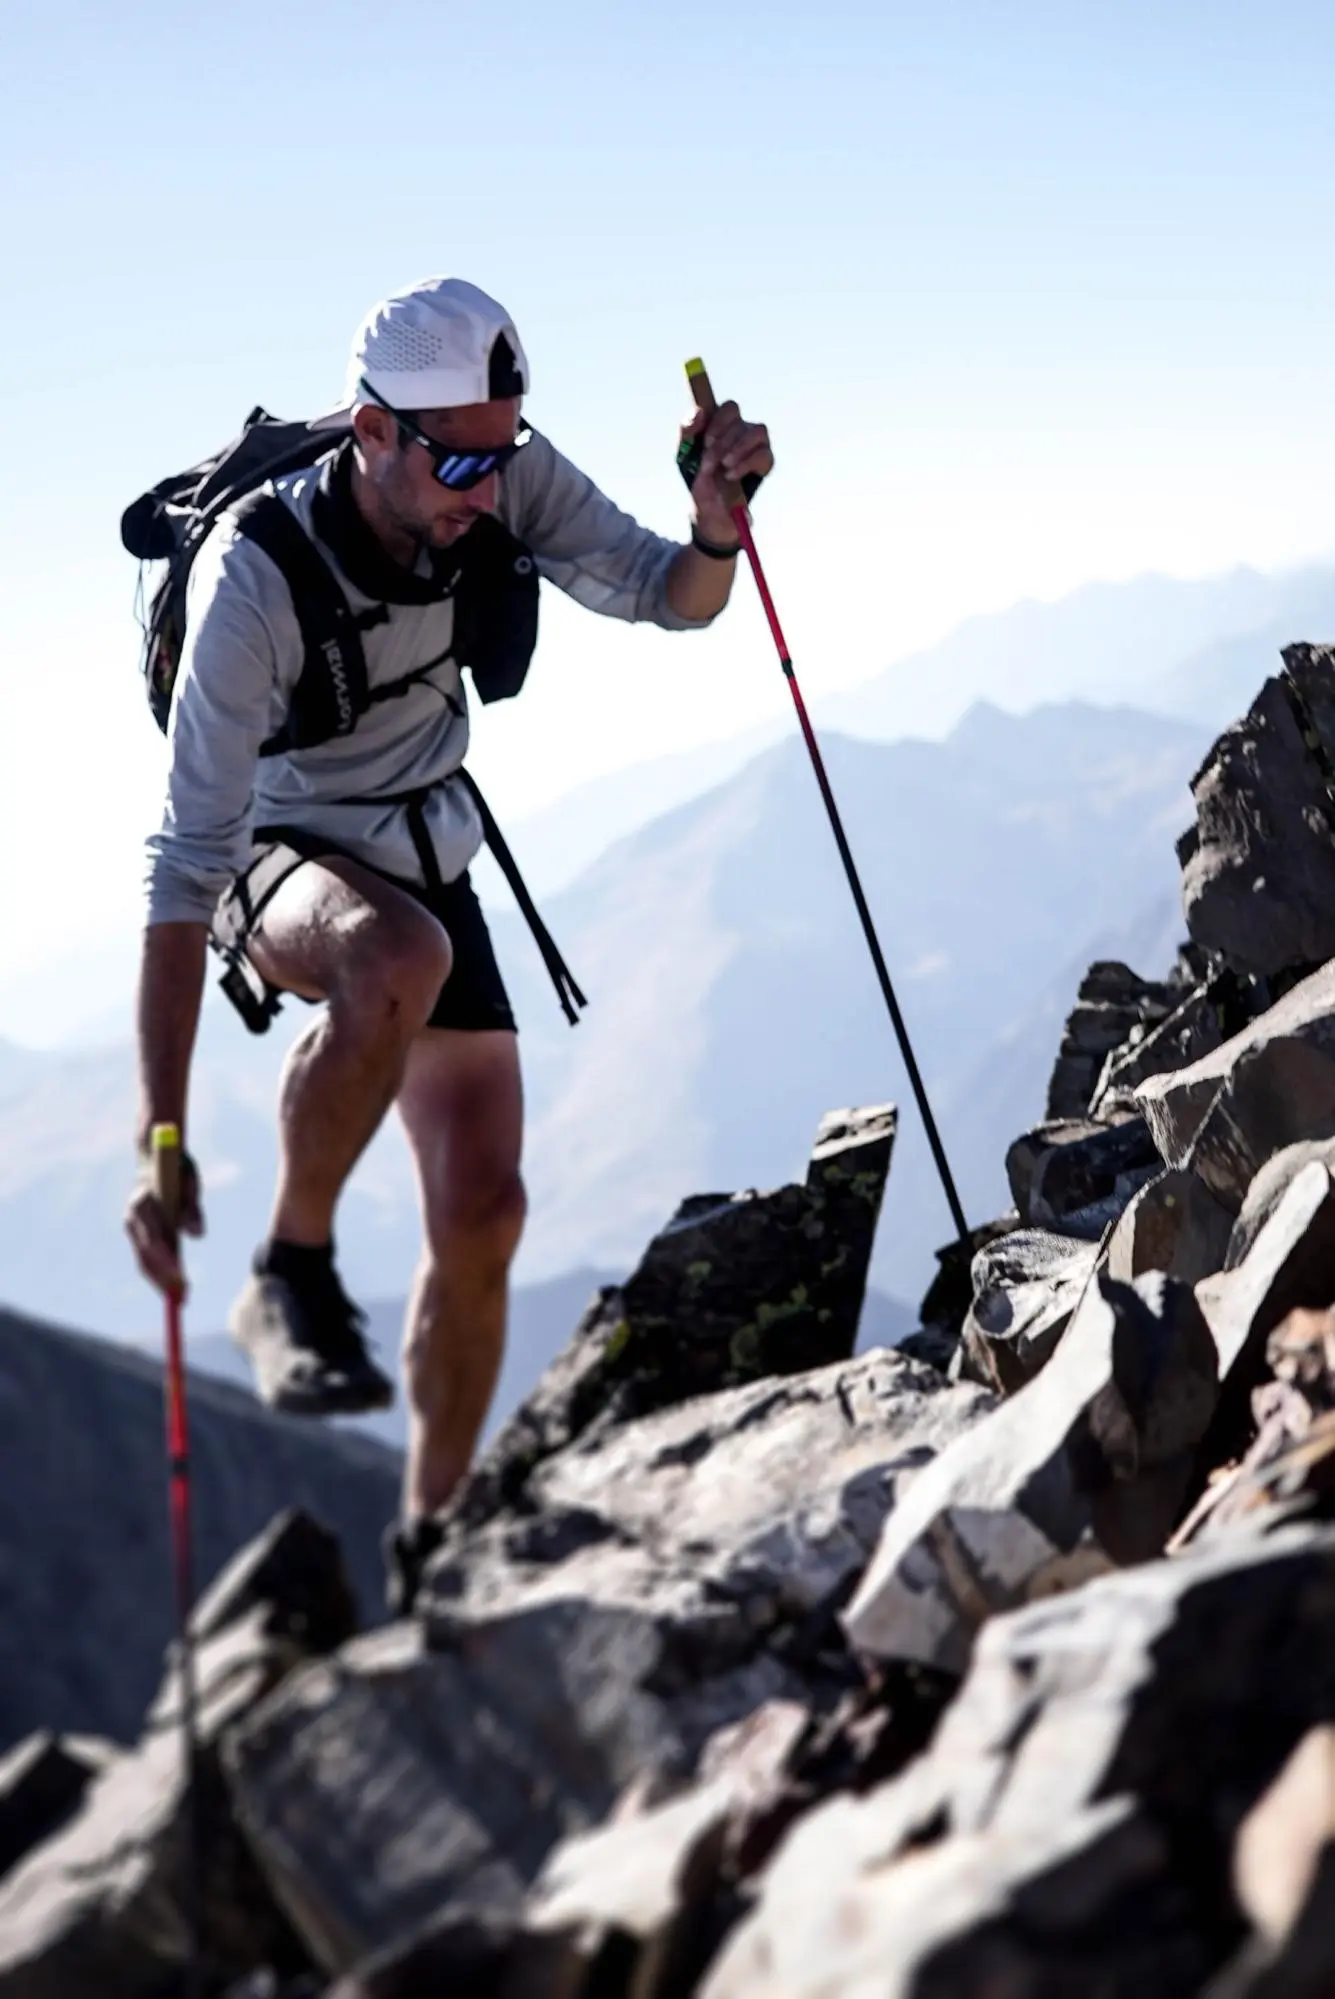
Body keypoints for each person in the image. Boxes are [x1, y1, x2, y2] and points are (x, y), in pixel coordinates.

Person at [125, 274, 773, 1608]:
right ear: (372, 432)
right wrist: (161, 1135)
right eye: (459, 455)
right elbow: (183, 871)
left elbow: (671, 594)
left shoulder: (498, 470)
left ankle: (431, 1535)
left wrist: (714, 530)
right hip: (276, 854)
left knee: (487, 1210)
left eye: (503, 447)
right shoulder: (254, 581)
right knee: (395, 959)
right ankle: (288, 1268)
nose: (488, 484)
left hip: (424, 846)